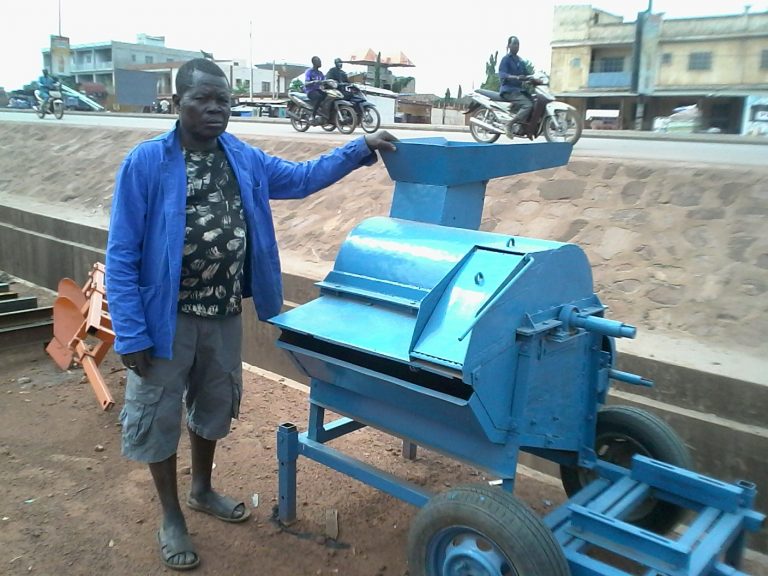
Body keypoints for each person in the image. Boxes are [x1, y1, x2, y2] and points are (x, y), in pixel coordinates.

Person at [105, 57, 397, 572]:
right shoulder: (147, 163)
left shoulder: (241, 158)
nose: (216, 108)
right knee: (158, 416)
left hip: (222, 313)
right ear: (178, 104)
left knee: (213, 406)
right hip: (163, 319)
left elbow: (303, 178)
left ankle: (201, 489)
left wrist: (359, 148)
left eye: (223, 99)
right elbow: (122, 253)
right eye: (203, 99)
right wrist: (130, 332)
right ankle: (171, 516)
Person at [498, 36, 533, 136]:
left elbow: (527, 74)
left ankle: (522, 127)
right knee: (528, 105)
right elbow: (502, 74)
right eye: (514, 44)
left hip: (518, 91)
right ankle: (509, 124)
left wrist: (535, 78)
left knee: (533, 102)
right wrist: (516, 77)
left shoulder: (520, 61)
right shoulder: (506, 59)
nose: (516, 46)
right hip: (508, 90)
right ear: (509, 45)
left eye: (518, 44)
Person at [303, 56, 326, 124]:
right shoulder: (309, 71)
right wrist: (313, 82)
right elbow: (306, 83)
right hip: (310, 91)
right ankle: (312, 115)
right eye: (318, 61)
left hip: (318, 90)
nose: (320, 62)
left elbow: (325, 80)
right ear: (314, 62)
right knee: (319, 97)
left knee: (328, 96)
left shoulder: (320, 73)